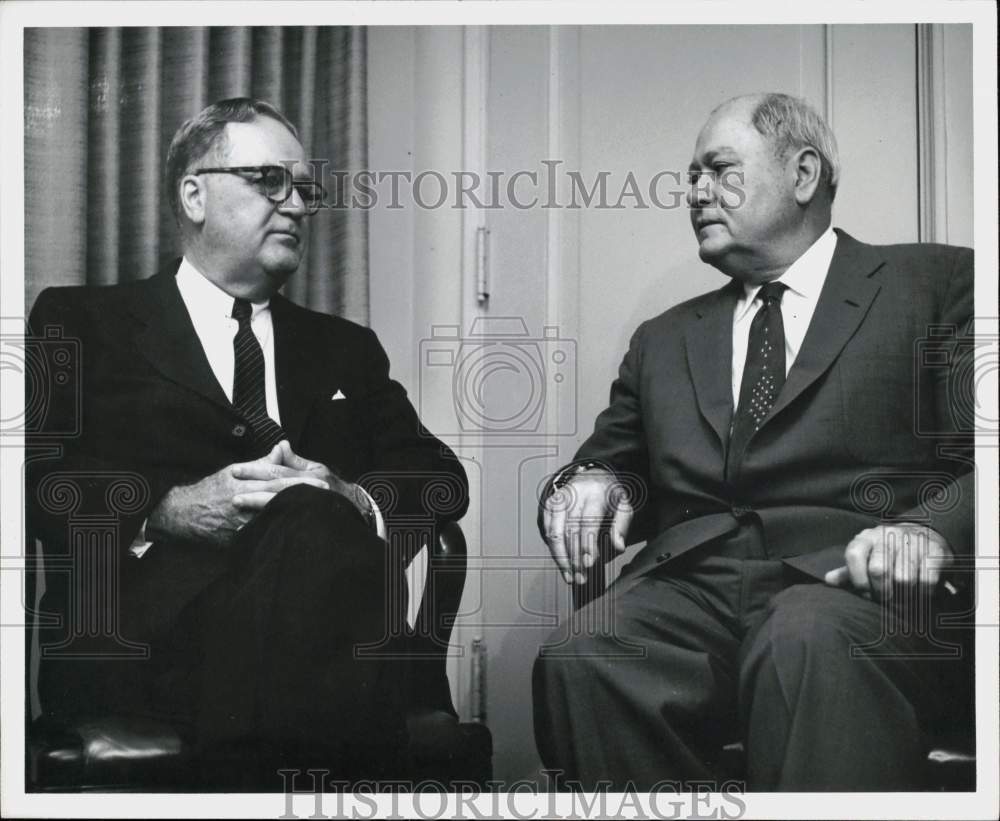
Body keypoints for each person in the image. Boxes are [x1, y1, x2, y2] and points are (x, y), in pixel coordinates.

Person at [533, 92, 974, 791]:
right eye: (691, 176)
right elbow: (617, 469)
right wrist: (591, 483)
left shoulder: (936, 285)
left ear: (802, 175)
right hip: (697, 593)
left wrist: (928, 529)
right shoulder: (663, 338)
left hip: (855, 588)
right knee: (585, 652)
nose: (694, 192)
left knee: (804, 637)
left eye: (719, 169)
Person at [26, 98, 469, 786]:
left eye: (305, 189)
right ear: (193, 194)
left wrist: (347, 493)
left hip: (326, 627)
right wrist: (165, 508)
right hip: (154, 645)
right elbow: (35, 484)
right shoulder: (85, 322)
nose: (295, 205)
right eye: (269, 181)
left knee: (312, 516)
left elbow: (438, 477)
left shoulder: (344, 348)